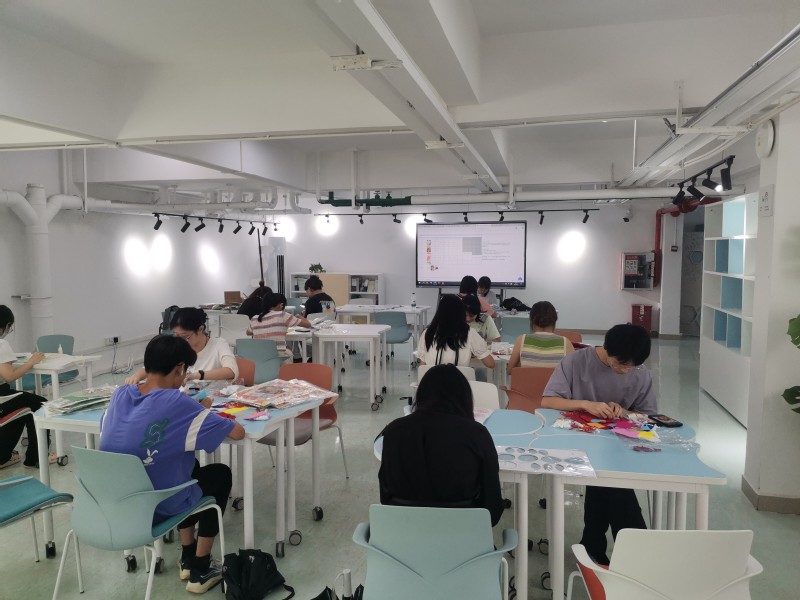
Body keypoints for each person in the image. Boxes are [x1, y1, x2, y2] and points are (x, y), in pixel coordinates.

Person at [100, 335, 245, 594]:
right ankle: (201, 568)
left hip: (116, 504)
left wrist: (193, 411)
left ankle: (187, 555)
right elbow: (237, 432)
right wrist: (202, 410)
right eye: (185, 371)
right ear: (179, 369)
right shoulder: (179, 403)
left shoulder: (120, 395)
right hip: (156, 506)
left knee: (186, 466)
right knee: (219, 475)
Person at [541, 323, 657, 566]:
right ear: (606, 349)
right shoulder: (576, 362)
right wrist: (586, 404)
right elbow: (549, 401)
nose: (625, 371)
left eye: (631, 367)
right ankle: (637, 553)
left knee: (605, 480)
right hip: (577, 441)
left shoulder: (640, 372)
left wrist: (623, 411)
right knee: (611, 481)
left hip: (620, 445)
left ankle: (593, 545)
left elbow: (647, 416)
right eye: (620, 364)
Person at [378, 364, 503, 525]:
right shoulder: (477, 434)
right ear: (465, 398)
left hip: (404, 535)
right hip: (463, 536)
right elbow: (492, 510)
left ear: (421, 395)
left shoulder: (394, 431)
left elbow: (385, 498)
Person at [126, 308, 238, 385]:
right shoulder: (177, 347)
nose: (180, 340)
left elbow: (231, 371)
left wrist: (199, 375)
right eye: (176, 335)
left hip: (214, 398)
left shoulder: (218, 344)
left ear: (200, 329)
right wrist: (137, 376)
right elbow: (155, 367)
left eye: (185, 336)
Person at [0, 305, 53, 469]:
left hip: (4, 398)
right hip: (2, 397)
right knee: (41, 404)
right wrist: (31, 362)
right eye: (10, 327)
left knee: (23, 407)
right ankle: (37, 458)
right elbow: (9, 376)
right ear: (6, 325)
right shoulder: (1, 344)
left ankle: (4, 455)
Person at [417, 295, 495, 369]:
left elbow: (422, 367)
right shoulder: (469, 333)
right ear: (461, 312)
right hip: (459, 378)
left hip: (433, 378)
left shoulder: (427, 333)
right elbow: (490, 364)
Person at [506, 300, 574, 374]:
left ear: (531, 321)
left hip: (528, 381)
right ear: (554, 321)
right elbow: (574, 373)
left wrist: (522, 365)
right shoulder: (566, 343)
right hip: (554, 382)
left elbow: (510, 370)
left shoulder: (522, 340)